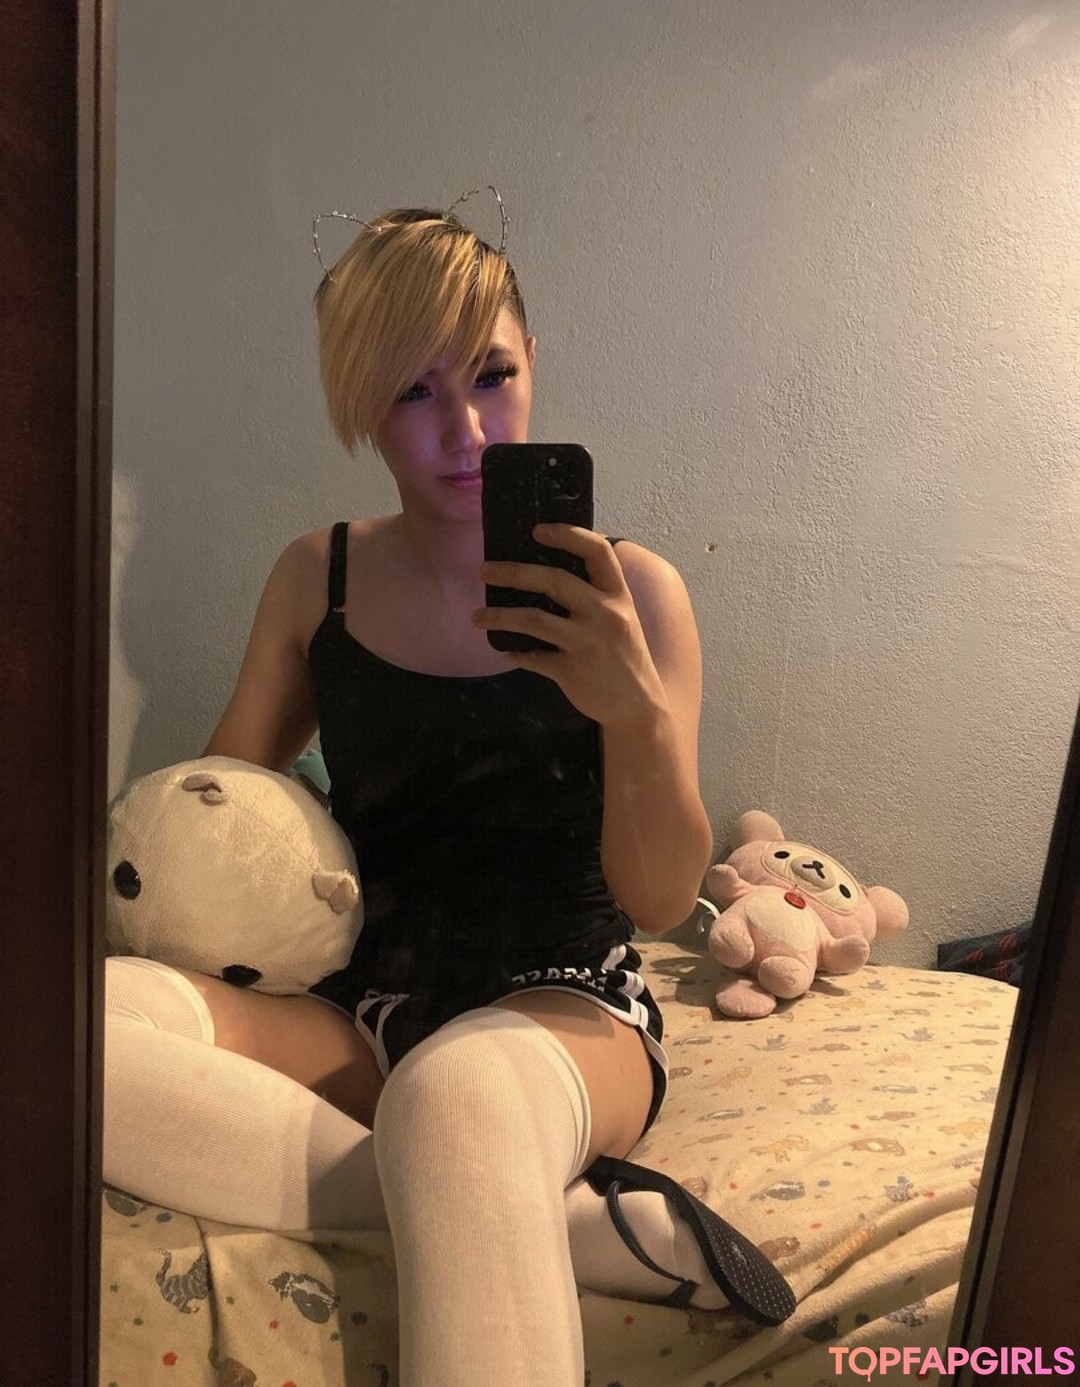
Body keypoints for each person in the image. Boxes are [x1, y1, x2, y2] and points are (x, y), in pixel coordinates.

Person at [103, 198, 787, 1387]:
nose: (466, 430)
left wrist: (632, 708)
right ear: (361, 407)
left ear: (534, 363)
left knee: (458, 1098)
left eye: (492, 375)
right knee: (81, 1024)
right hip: (360, 1005)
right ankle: (568, 1224)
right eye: (414, 391)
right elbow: (220, 823)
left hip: (567, 1001)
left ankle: (473, 1168)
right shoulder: (317, 578)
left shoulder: (638, 593)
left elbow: (660, 899)